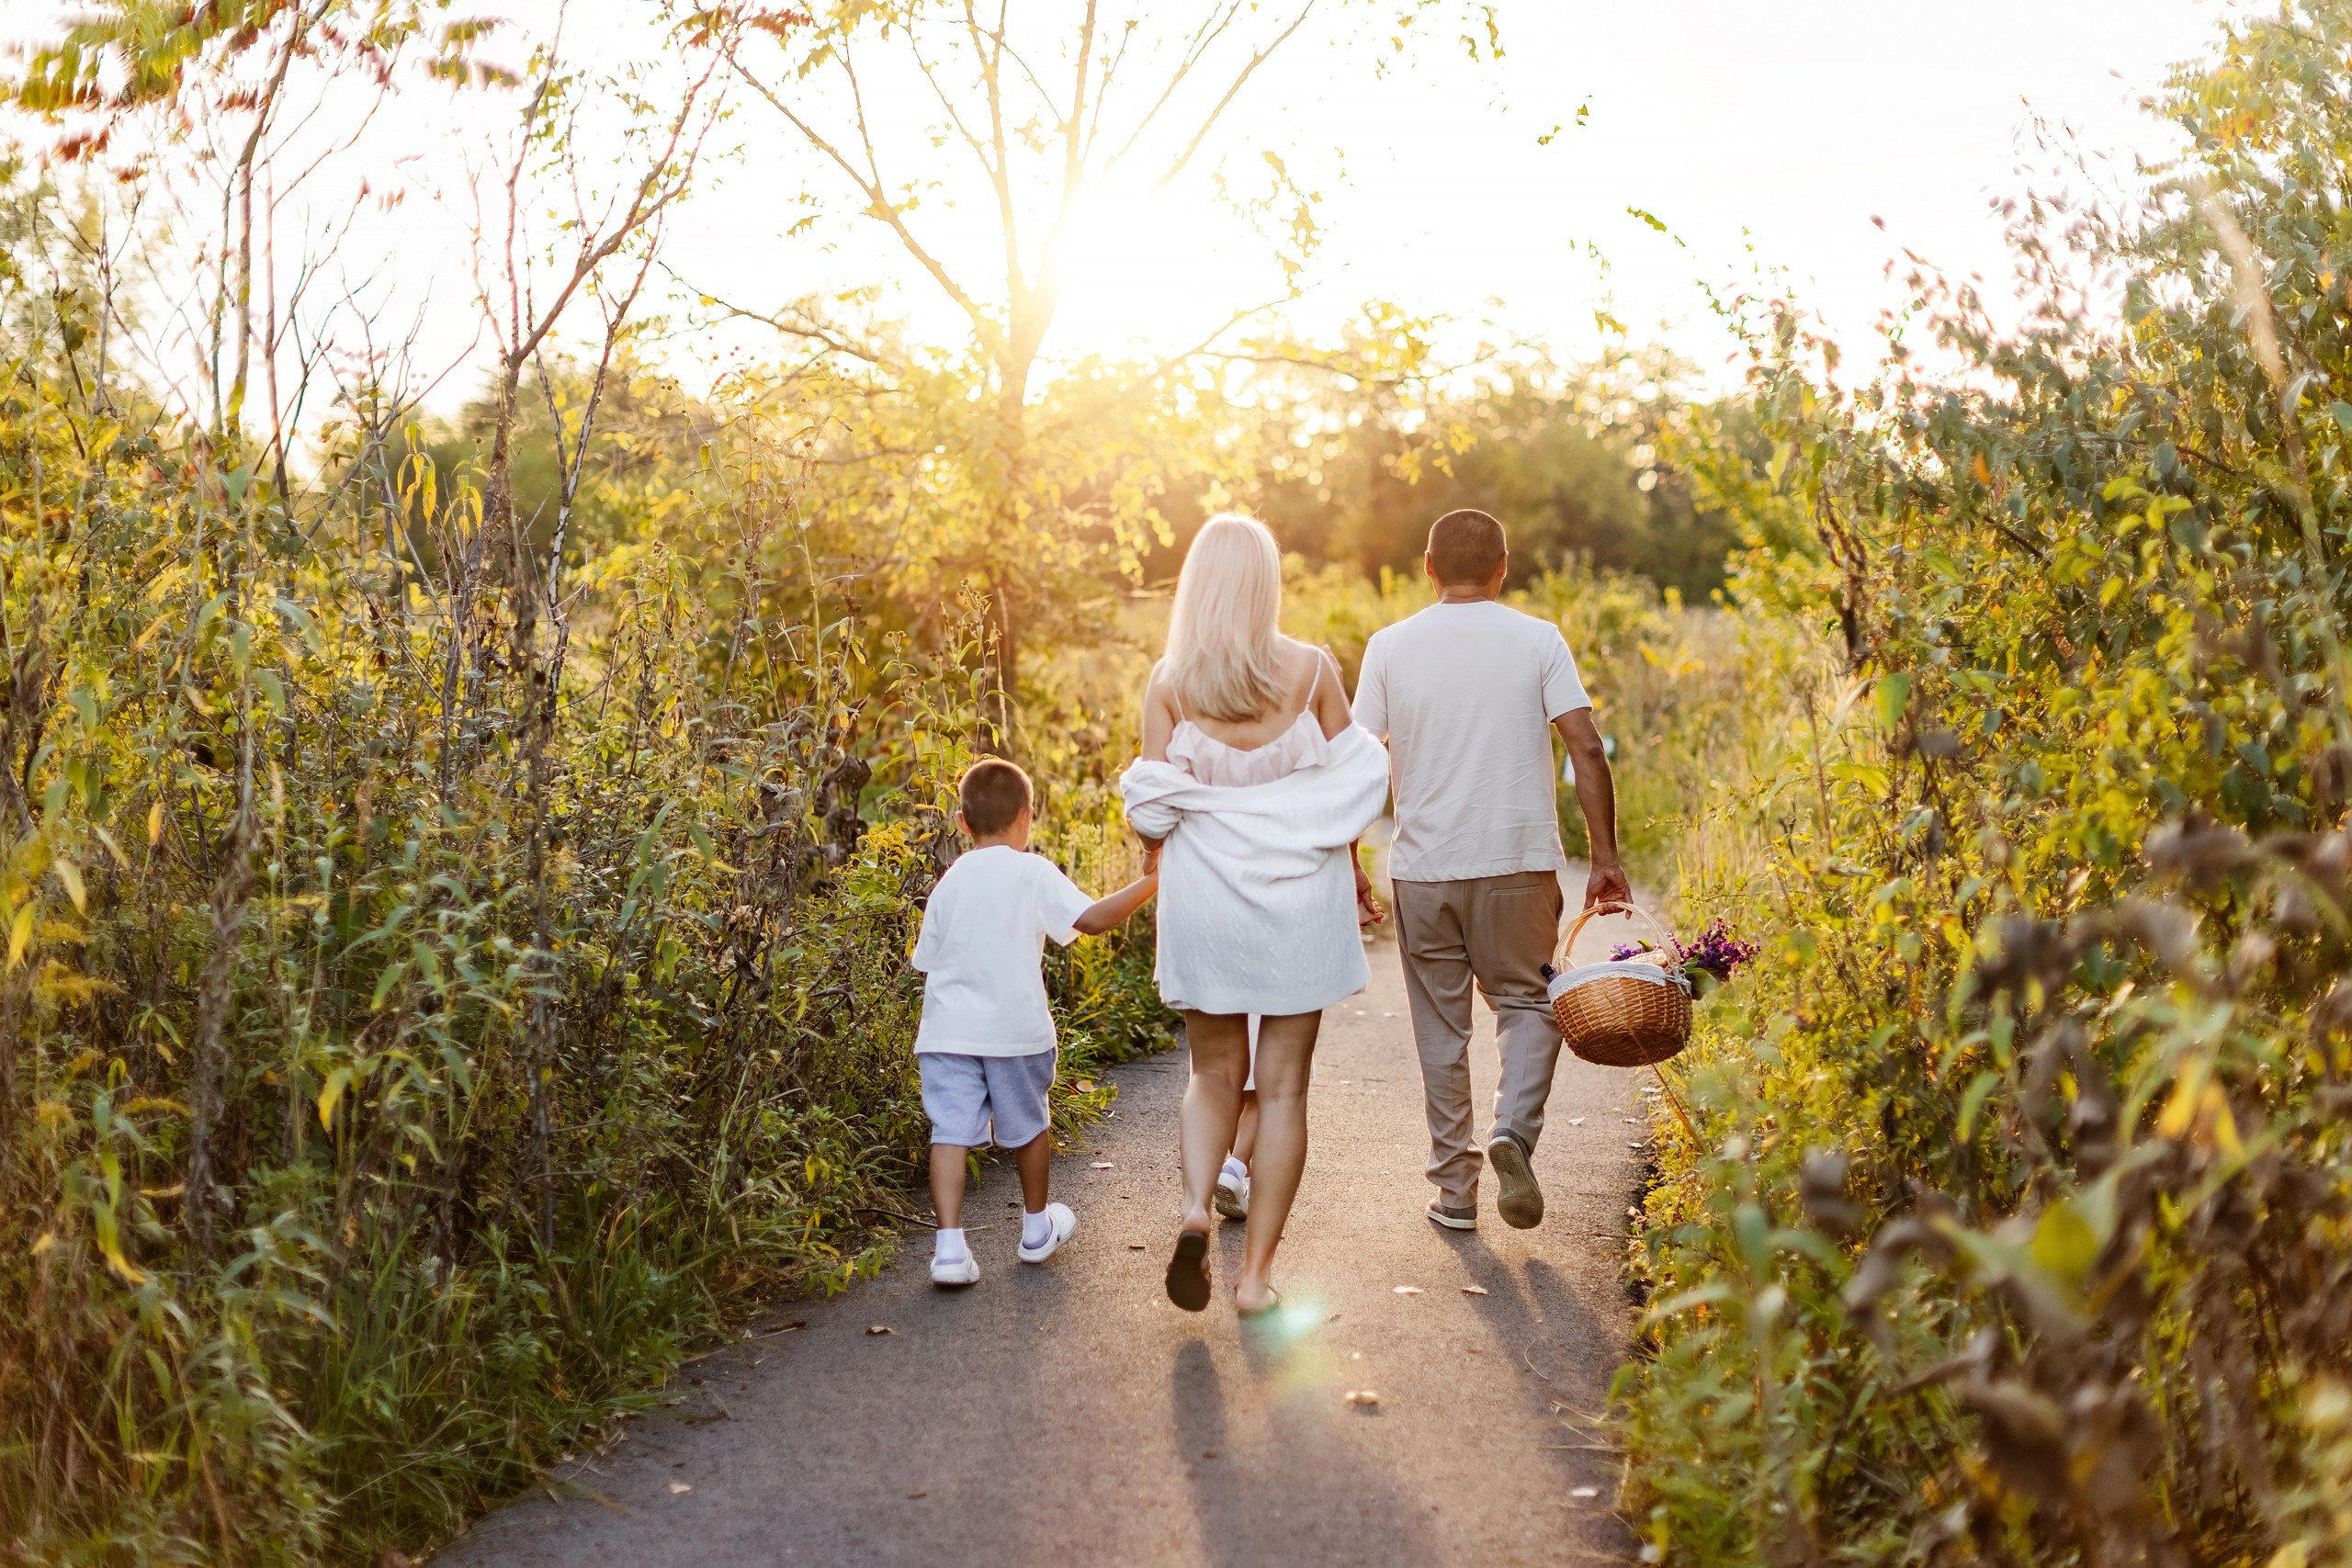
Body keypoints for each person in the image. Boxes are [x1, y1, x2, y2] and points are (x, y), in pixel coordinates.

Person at [1121, 513, 1390, 1315]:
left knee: (1210, 1075)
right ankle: (1254, 1280)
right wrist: (1352, 871)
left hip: (1206, 897)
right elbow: (1353, 789)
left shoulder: (1170, 682)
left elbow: (1150, 817)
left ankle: (1197, 1208)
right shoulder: (1311, 672)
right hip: (1298, 898)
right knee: (1282, 1092)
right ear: (1267, 583)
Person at [1351, 508, 1630, 1233]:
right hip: (1518, 862)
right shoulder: (1537, 640)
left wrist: (1349, 858)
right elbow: (1587, 748)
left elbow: (1356, 763)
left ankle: (1454, 1192)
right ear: (1504, 567)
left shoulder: (1388, 646)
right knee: (1532, 1004)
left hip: (1425, 868)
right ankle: (1513, 1130)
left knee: (1442, 1033)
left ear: (1427, 566)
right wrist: (1604, 857)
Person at [912, 758, 1159, 1287]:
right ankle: (1034, 1228)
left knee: (949, 1132)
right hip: (1014, 1031)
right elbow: (1091, 920)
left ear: (961, 823)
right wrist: (1154, 882)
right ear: (1028, 816)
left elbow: (927, 958)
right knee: (1029, 1127)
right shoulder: (1033, 871)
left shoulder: (949, 883)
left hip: (947, 1032)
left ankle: (950, 1248)